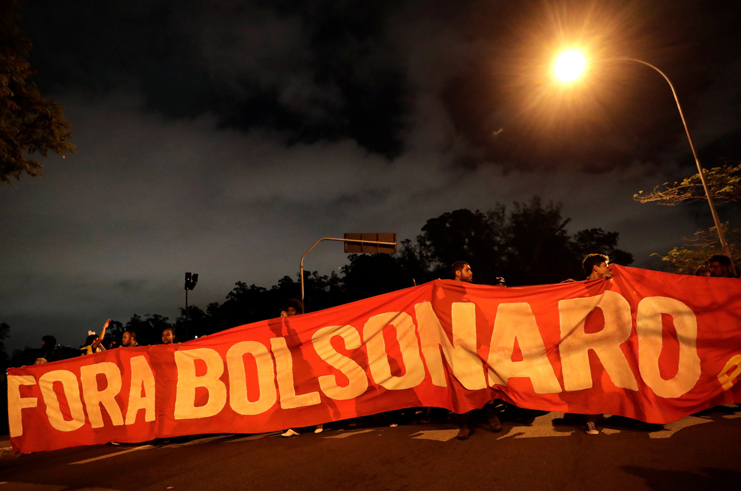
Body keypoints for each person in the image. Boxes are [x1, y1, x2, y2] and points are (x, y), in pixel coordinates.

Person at [450, 261, 503, 440]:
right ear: (458, 273)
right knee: (461, 386)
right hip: (457, 348)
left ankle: (491, 415)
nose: (471, 272)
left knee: (483, 381)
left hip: (476, 345)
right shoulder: (446, 292)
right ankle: (464, 424)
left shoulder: (476, 291)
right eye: (468, 269)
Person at [279, 300, 325, 437]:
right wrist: (282, 320)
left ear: (298, 312)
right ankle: (296, 426)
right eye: (288, 311)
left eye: (292, 311)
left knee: (312, 392)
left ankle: (320, 422)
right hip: (293, 364)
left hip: (307, 362)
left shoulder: (303, 324)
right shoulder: (285, 325)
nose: (290, 313)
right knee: (296, 396)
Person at [581, 254, 612, 435]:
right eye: (604, 265)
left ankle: (599, 412)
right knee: (590, 381)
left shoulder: (611, 284)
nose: (607, 269)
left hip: (608, 339)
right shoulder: (581, 288)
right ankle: (590, 419)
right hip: (586, 342)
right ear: (595, 268)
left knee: (604, 379)